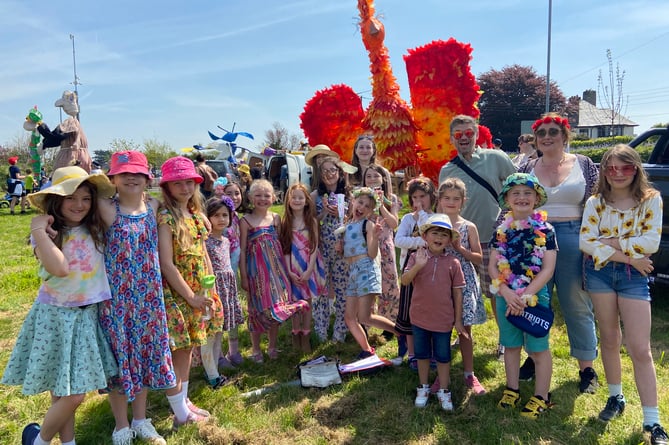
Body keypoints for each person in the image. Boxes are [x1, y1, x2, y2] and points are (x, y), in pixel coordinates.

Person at [1, 166, 117, 445]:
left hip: (86, 316)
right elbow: (60, 268)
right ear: (56, 200)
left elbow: (111, 208)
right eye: (70, 197)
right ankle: (38, 441)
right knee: (70, 393)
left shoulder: (96, 228)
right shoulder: (47, 235)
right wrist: (37, 229)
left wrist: (95, 183)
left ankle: (67, 442)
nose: (79, 205)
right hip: (55, 316)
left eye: (86, 199)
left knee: (66, 391)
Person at [579, 144, 668, 444]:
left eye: (625, 167)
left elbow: (652, 243)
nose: (618, 173)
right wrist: (630, 254)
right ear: (603, 171)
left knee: (640, 348)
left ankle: (653, 421)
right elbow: (586, 243)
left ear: (636, 169)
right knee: (609, 338)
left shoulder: (651, 200)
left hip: (633, 279)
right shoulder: (595, 202)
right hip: (604, 273)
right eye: (611, 168)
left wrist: (610, 242)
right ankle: (616, 397)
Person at [97, 151, 176, 445]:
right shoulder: (105, 208)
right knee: (120, 360)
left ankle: (141, 420)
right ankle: (121, 425)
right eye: (124, 173)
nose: (131, 177)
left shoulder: (155, 206)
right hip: (117, 302)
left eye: (137, 173)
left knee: (143, 358)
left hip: (149, 299)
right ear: (113, 178)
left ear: (147, 178)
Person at [518, 113, 600, 391]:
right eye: (542, 133)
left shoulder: (585, 165)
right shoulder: (528, 166)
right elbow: (514, 201)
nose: (547, 137)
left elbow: (598, 203)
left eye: (553, 132)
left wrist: (596, 241)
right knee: (534, 299)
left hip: (573, 238)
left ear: (565, 136)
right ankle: (534, 356)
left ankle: (587, 368)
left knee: (576, 303)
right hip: (533, 239)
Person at [439, 115, 516, 359]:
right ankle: (459, 333)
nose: (464, 138)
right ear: (452, 139)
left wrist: (510, 217)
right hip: (458, 242)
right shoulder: (447, 169)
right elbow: (442, 207)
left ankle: (505, 340)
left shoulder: (496, 158)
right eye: (458, 135)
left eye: (468, 133)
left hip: (494, 240)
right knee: (456, 292)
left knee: (496, 291)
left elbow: (516, 186)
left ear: (476, 134)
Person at [489, 173, 557, 418]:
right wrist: (507, 293)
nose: (521, 197)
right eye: (515, 193)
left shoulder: (546, 230)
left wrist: (526, 295)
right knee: (511, 345)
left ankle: (541, 396)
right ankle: (512, 388)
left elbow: (548, 268)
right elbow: (493, 266)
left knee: (538, 348)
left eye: (527, 193)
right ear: (507, 199)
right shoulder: (500, 230)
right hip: (505, 296)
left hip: (536, 296)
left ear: (536, 198)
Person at [157, 156, 216, 428]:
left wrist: (209, 290)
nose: (183, 187)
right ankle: (180, 414)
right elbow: (167, 264)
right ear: (167, 187)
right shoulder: (166, 217)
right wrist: (190, 296)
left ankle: (184, 400)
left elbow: (203, 255)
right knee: (180, 349)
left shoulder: (196, 217)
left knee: (191, 345)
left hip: (198, 290)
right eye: (176, 183)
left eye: (188, 182)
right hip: (178, 291)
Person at [400, 214, 465, 411]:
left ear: (449, 240)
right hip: (419, 317)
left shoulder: (453, 262)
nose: (438, 238)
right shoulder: (415, 256)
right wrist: (419, 265)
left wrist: (458, 320)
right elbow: (404, 281)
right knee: (422, 354)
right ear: (425, 236)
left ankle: (444, 391)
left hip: (443, 319)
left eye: (444, 235)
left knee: (443, 356)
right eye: (434, 233)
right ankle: (424, 387)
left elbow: (458, 293)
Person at [239, 179, 308, 363]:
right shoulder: (245, 221)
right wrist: (244, 276)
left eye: (267, 195)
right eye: (258, 195)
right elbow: (243, 250)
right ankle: (255, 348)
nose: (263, 199)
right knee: (257, 310)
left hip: (276, 272)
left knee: (275, 308)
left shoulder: (276, 219)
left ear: (274, 197)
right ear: (251, 197)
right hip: (256, 274)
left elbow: (283, 245)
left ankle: (272, 346)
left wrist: (287, 271)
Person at [436, 177, 487, 395]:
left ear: (463, 201)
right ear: (439, 199)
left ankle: (469, 372)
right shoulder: (434, 224)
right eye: (447, 198)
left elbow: (478, 258)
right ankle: (441, 374)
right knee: (440, 329)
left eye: (456, 199)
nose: (451, 202)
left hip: (464, 282)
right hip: (439, 280)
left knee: (465, 329)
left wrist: (459, 248)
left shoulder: (469, 227)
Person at [337, 187, 397, 358]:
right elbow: (349, 252)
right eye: (360, 202)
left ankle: (402, 334)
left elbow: (372, 254)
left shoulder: (368, 224)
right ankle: (367, 350)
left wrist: (376, 237)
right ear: (353, 202)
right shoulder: (347, 225)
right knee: (350, 318)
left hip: (366, 270)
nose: (362, 207)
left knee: (365, 317)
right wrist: (340, 249)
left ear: (371, 211)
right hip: (353, 272)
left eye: (368, 206)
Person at [394, 177, 436, 367]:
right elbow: (399, 240)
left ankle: (431, 351)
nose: (419, 201)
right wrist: (419, 241)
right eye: (415, 197)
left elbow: (434, 239)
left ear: (430, 197)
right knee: (410, 309)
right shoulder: (407, 219)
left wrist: (424, 219)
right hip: (410, 269)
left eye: (423, 196)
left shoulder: (436, 218)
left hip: (432, 270)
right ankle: (412, 353)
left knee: (429, 308)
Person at [279, 183, 327, 353]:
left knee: (307, 301)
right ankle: (295, 333)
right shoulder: (285, 222)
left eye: (300, 197)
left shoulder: (311, 221)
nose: (297, 200)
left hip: (308, 266)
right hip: (292, 266)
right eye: (294, 197)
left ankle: (306, 334)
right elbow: (285, 248)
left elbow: (314, 247)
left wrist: (309, 270)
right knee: (294, 302)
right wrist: (289, 271)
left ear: (307, 201)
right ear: (288, 200)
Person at [310, 156, 352, 343]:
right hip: (322, 248)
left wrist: (342, 214)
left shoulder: (351, 194)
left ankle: (340, 331)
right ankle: (320, 328)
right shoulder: (314, 196)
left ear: (339, 172)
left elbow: (355, 219)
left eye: (332, 170)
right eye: (324, 171)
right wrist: (325, 212)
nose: (329, 174)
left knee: (343, 290)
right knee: (321, 290)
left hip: (343, 248)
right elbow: (311, 222)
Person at [204, 196, 242, 385]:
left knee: (219, 329)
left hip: (227, 286)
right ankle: (211, 370)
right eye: (216, 215)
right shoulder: (205, 241)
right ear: (208, 217)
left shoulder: (226, 241)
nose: (221, 219)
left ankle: (218, 361)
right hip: (214, 288)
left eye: (225, 215)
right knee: (211, 330)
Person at [362, 164, 400, 323]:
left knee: (389, 282)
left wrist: (381, 205)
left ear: (383, 179)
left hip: (386, 246)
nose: (372, 179)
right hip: (366, 245)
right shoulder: (360, 197)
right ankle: (368, 321)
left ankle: (389, 321)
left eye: (375, 176)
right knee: (368, 283)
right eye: (368, 176)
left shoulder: (392, 198)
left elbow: (394, 223)